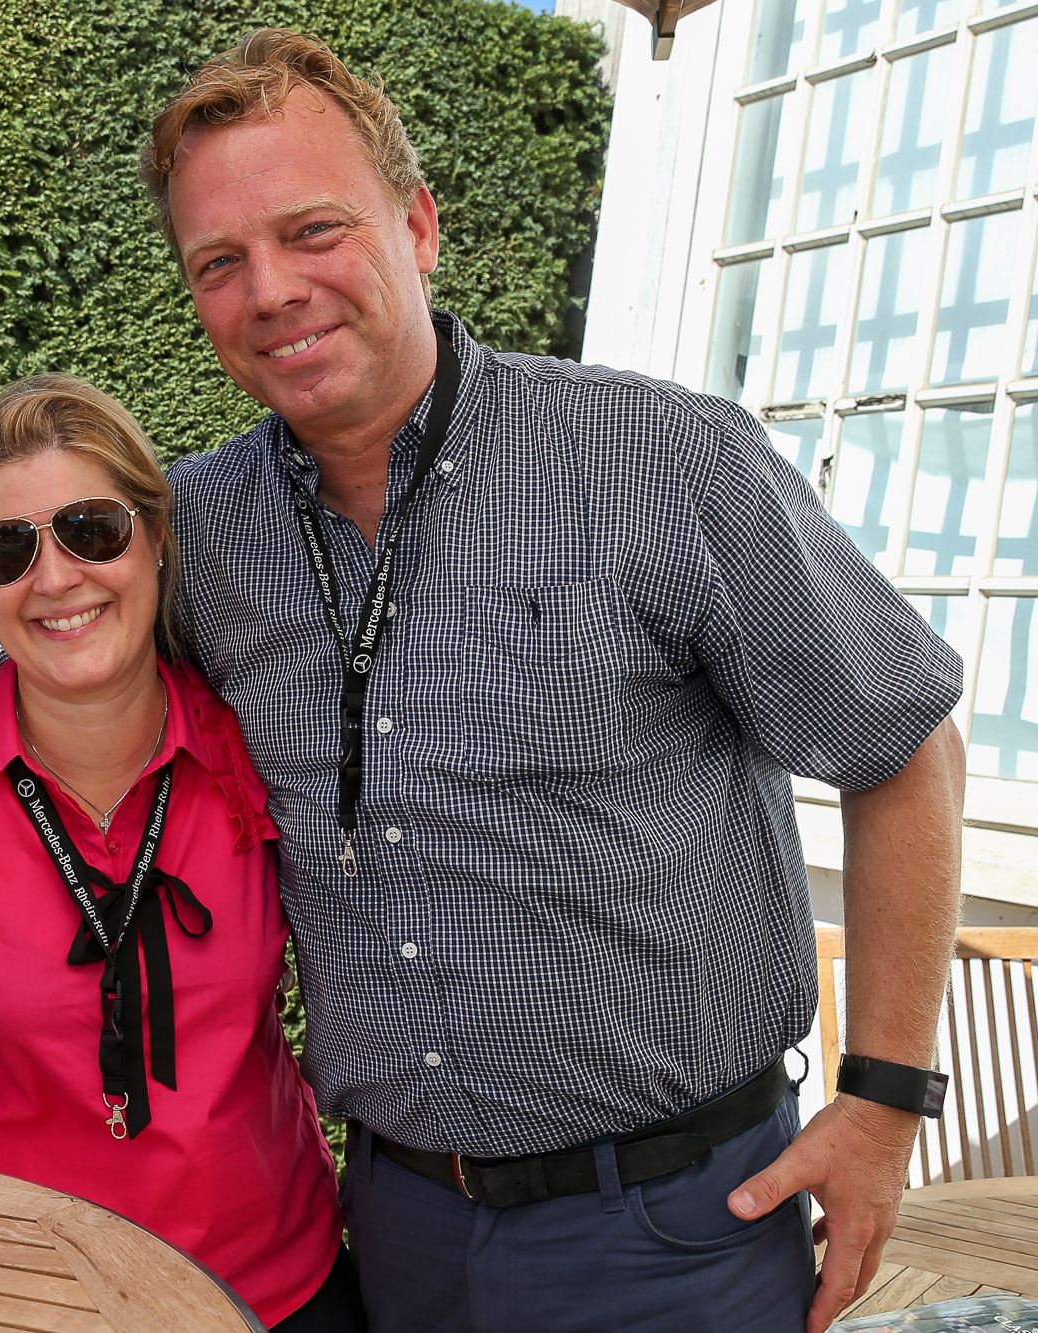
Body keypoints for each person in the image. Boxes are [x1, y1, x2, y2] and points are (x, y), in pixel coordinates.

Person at [137, 29, 968, 1333]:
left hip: (680, 1229)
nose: (273, 289)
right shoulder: (199, 534)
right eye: (219, 262)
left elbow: (905, 747)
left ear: (417, 226)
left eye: (312, 231)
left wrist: (885, 1099)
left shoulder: (661, 462)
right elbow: (67, 683)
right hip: (395, 1226)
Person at [0, 376, 361, 1331]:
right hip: (19, 1296)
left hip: (270, 1287)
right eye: (9, 547)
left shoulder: (255, 740)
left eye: (92, 530)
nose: (55, 577)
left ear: (155, 535)